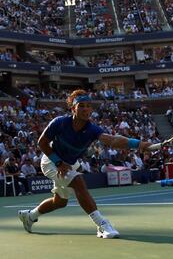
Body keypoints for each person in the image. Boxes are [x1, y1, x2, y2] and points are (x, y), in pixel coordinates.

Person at [18, 89, 153, 239]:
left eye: (89, 106)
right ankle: (102, 225)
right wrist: (58, 162)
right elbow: (41, 143)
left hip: (70, 164)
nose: (86, 109)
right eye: (81, 105)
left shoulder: (92, 129)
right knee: (78, 181)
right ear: (73, 108)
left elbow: (112, 140)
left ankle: (30, 216)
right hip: (51, 161)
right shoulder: (60, 122)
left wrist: (140, 144)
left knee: (60, 202)